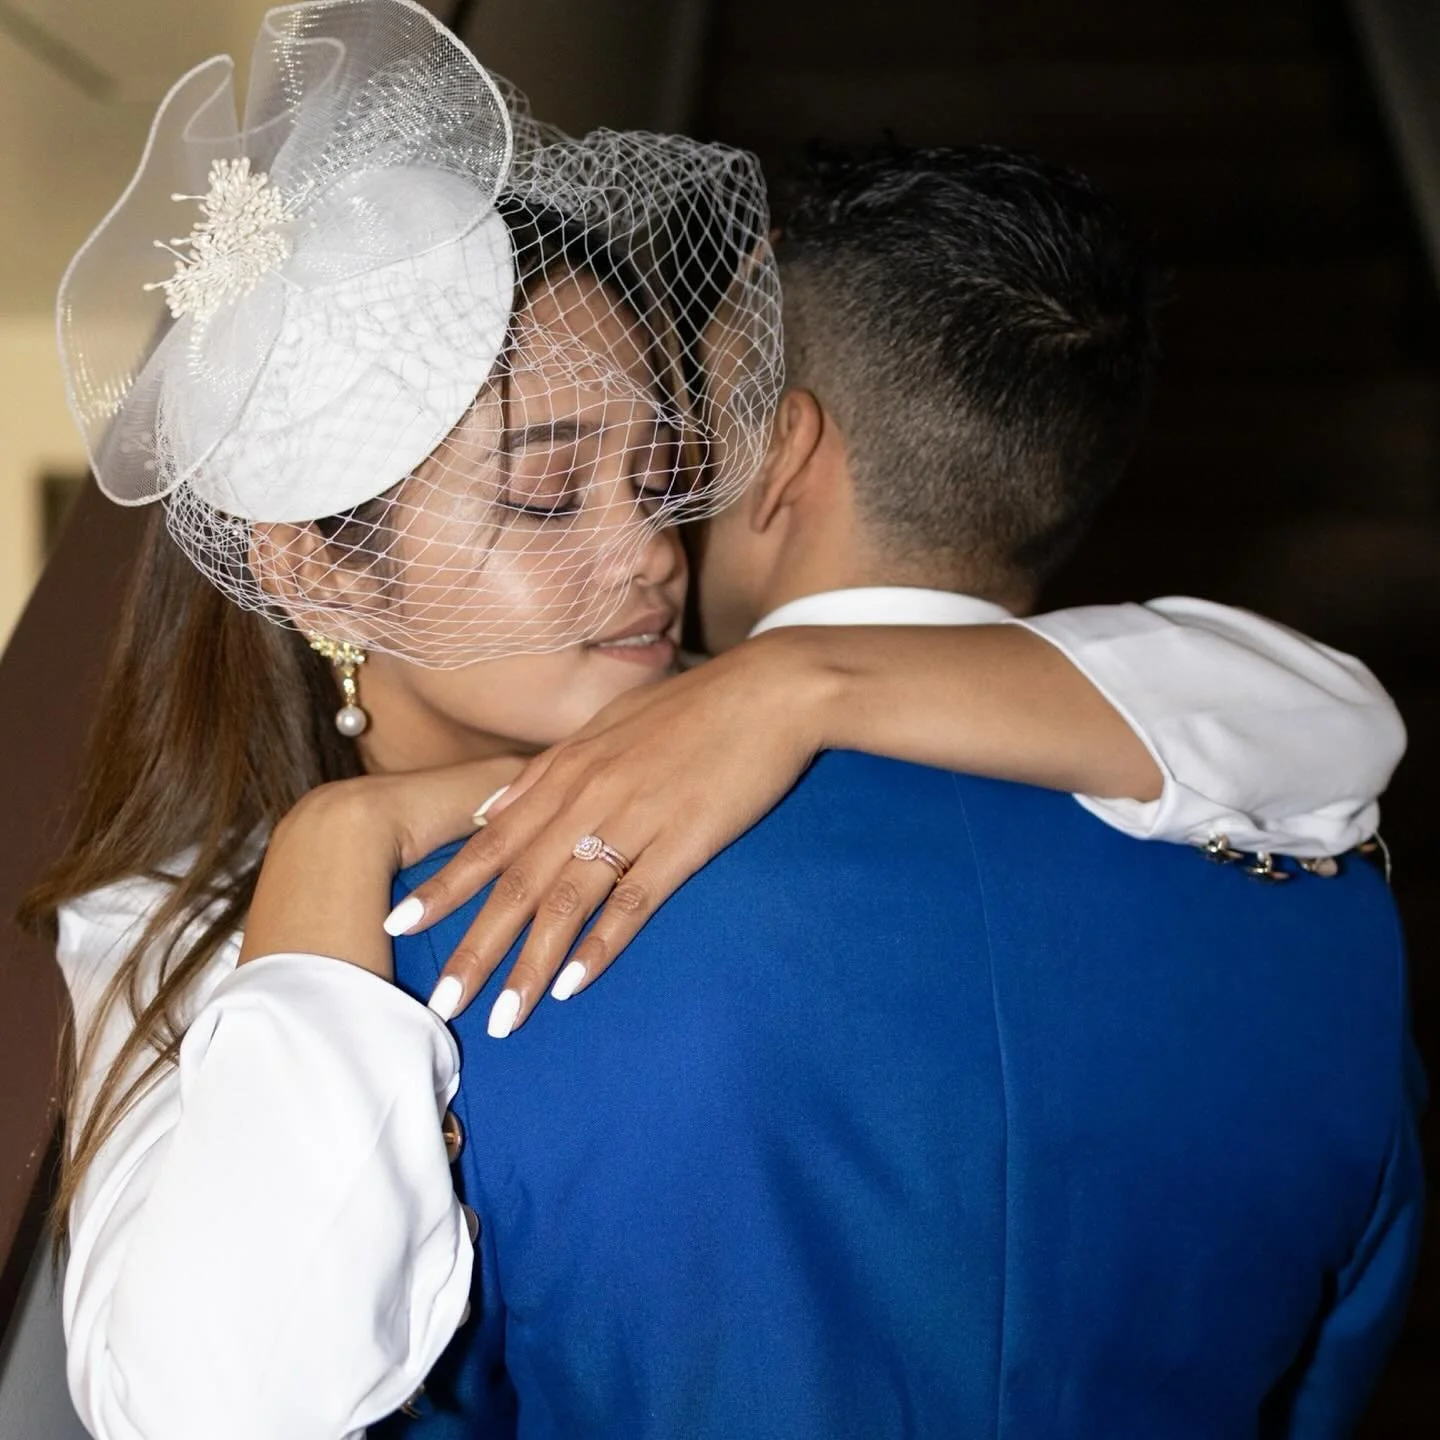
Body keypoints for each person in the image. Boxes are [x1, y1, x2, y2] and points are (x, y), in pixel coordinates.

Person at [28, 3, 1406, 1436]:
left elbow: (1321, 733)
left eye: (668, 472)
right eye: (550, 496)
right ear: (315, 563)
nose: (648, 553)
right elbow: (205, 1408)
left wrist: (796, 681)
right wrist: (334, 843)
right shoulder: (173, 937)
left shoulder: (782, 746)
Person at [383, 146, 1425, 1437]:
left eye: (688, 448)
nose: (659, 531)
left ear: (780, 455)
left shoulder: (494, 914)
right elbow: (1324, 1381)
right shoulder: (1340, 928)